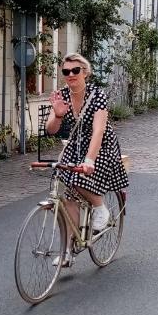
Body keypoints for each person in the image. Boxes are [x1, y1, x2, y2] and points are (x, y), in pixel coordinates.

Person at [46, 52, 128, 266]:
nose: (70, 75)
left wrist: (89, 161)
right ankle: (66, 252)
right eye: (66, 71)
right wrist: (57, 114)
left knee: (78, 177)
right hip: (75, 145)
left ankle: (100, 208)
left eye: (75, 70)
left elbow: (99, 130)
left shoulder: (96, 94)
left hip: (102, 146)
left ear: (85, 72)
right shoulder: (62, 95)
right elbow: (51, 130)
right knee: (66, 192)